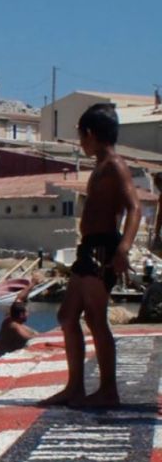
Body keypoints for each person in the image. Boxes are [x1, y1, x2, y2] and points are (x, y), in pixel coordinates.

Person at [41, 103, 141, 408]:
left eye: (81, 137)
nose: (81, 144)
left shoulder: (114, 165)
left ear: (91, 134)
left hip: (103, 249)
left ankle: (108, 391)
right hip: (90, 248)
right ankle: (75, 387)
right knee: (68, 315)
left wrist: (123, 248)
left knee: (96, 318)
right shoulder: (100, 166)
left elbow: (134, 207)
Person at [0, 278, 40, 360]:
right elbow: (32, 339)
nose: (29, 314)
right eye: (27, 312)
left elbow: (20, 298)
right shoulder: (14, 327)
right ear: (21, 315)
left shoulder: (9, 316)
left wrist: (33, 283)